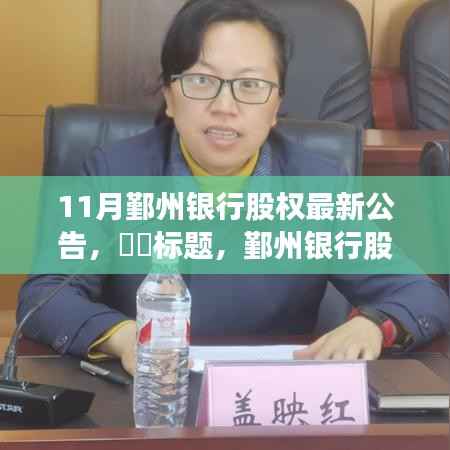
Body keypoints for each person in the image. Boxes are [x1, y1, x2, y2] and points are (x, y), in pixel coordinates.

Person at [18, 0, 449, 376]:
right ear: (169, 96)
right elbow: (45, 296)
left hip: (272, 406)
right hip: (146, 395)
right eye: (202, 81)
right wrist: (124, 336)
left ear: (276, 106)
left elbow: (420, 295)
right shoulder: (114, 173)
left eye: (250, 85)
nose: (225, 107)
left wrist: (373, 325)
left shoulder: (318, 188)